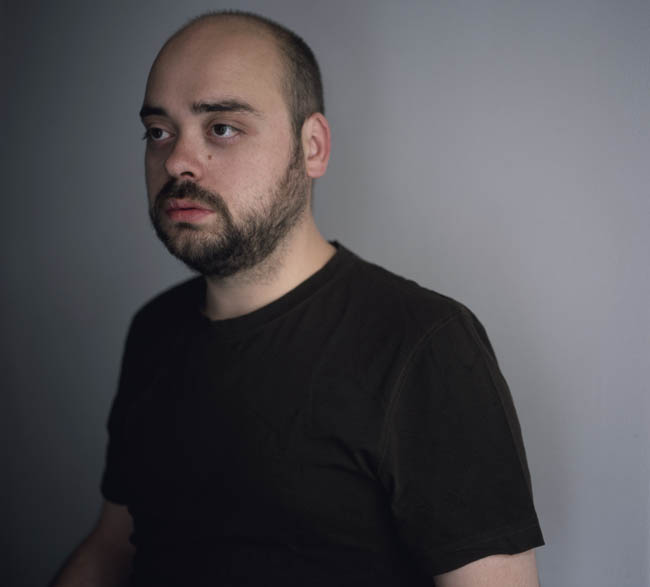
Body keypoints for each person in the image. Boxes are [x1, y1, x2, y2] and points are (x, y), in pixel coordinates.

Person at [52, 10, 544, 587]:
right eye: (159, 131)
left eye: (222, 128)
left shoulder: (423, 345)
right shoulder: (155, 330)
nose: (176, 160)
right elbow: (113, 549)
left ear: (312, 147)